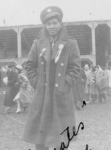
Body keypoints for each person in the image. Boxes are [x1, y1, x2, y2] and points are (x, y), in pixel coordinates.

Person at [22, 6, 81, 150]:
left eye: (54, 23)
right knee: (40, 136)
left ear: (60, 23)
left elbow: (75, 68)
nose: (52, 27)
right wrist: (37, 83)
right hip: (42, 96)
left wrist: (65, 83)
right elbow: (29, 65)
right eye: (48, 24)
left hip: (61, 95)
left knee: (61, 135)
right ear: (45, 25)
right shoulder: (38, 43)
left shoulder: (71, 43)